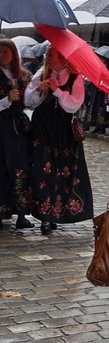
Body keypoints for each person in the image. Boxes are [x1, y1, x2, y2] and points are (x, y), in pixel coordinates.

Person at [24, 45, 94, 234]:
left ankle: (57, 213)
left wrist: (57, 90)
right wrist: (38, 90)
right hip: (42, 129)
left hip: (63, 132)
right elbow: (28, 101)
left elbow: (74, 105)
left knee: (63, 173)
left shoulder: (74, 77)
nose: (47, 57)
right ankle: (45, 216)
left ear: (62, 57)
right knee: (42, 170)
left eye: (51, 54)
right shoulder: (42, 73)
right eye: (47, 54)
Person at [0, 38, 34, 230]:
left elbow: (30, 103)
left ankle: (21, 214)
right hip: (1, 127)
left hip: (18, 130)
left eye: (5, 51)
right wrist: (6, 100)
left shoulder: (23, 76)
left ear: (13, 54)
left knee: (20, 169)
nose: (1, 55)